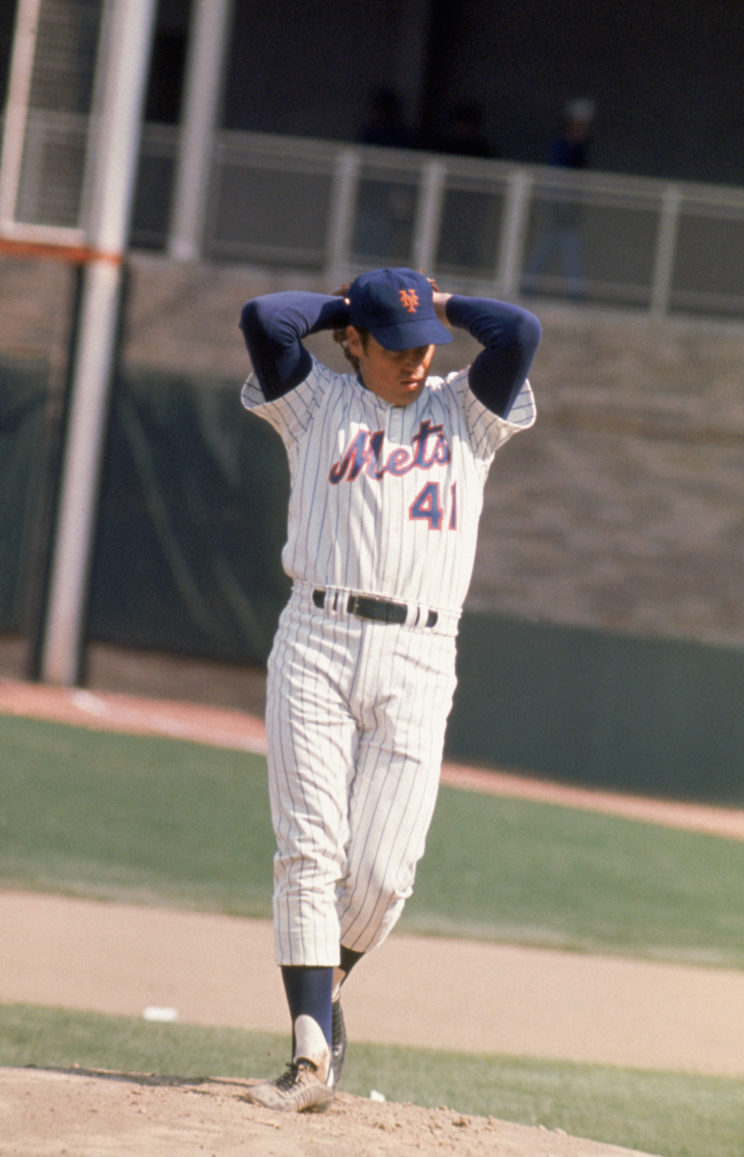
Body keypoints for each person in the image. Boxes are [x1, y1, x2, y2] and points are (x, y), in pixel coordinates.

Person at [238, 267, 541, 1112]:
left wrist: (431, 305)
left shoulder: (466, 411)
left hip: (420, 652)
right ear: (357, 342)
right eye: (395, 345)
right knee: (310, 847)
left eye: (426, 347)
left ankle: (324, 987)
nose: (417, 360)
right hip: (318, 637)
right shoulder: (313, 403)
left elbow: (518, 331)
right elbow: (265, 318)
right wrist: (357, 305)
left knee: (381, 872)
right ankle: (308, 1054)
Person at [524, 98, 596, 296]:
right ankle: (572, 288)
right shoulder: (562, 147)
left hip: (568, 205)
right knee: (557, 241)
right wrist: (561, 202)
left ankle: (532, 282)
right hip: (557, 203)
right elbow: (555, 178)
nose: (582, 130)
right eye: (579, 125)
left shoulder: (580, 149)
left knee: (559, 242)